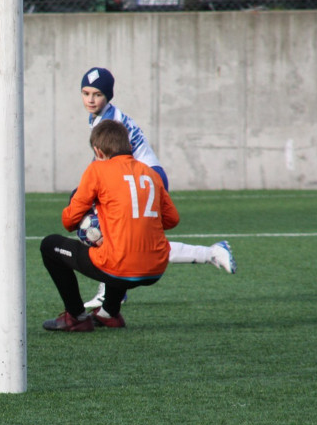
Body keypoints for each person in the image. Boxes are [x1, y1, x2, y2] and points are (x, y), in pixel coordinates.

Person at [77, 67, 236, 310]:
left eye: (97, 94)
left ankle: (211, 253)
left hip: (141, 179)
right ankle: (212, 253)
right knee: (135, 242)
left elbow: (108, 163)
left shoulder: (108, 121)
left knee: (140, 245)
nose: (90, 99)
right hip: (138, 177)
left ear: (108, 95)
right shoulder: (103, 116)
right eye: (85, 93)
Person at [41, 119, 179, 331]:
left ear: (98, 151)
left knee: (50, 245)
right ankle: (109, 313)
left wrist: (82, 205)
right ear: (128, 146)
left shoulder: (98, 170)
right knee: (117, 244)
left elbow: (68, 222)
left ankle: (77, 317)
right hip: (156, 267)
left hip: (119, 265)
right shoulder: (150, 173)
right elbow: (172, 220)